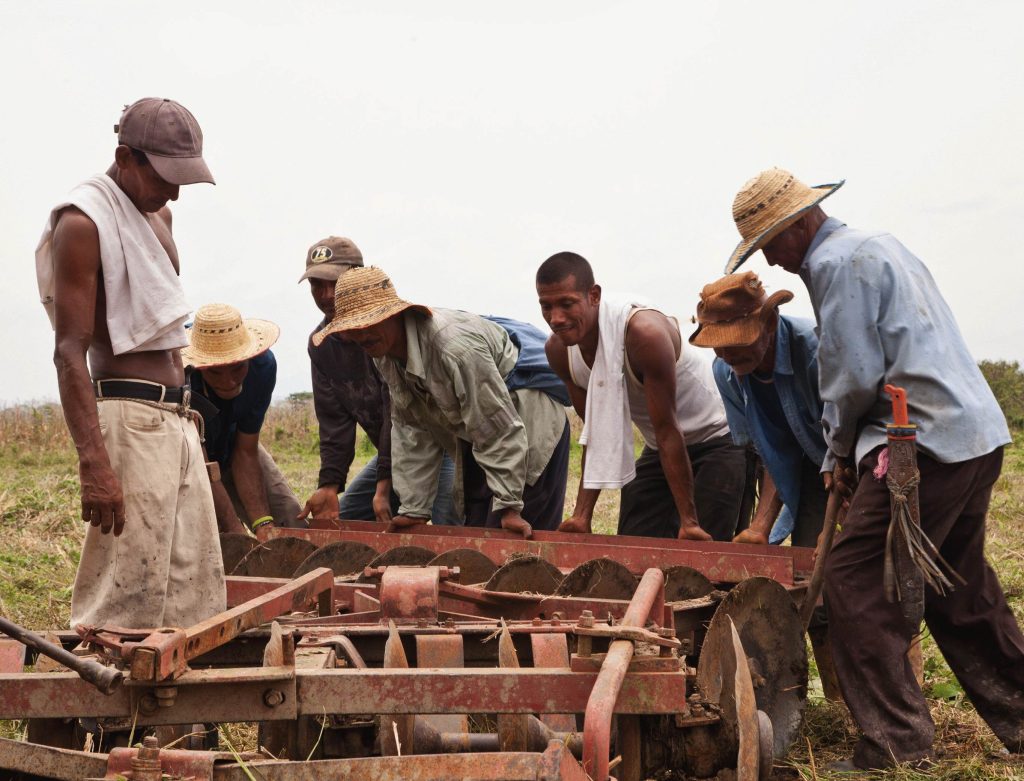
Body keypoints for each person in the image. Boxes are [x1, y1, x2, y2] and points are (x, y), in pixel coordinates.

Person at [726, 167, 1023, 769]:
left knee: (855, 582)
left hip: (922, 444)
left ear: (800, 223)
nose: (776, 261)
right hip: (971, 434)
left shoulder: (837, 265)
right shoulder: (876, 245)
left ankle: (894, 746)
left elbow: (852, 373)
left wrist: (838, 452)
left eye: (774, 244)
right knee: (955, 586)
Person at [35, 97, 225, 629]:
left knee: (192, 588)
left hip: (177, 418)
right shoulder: (83, 222)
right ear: (126, 156)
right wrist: (93, 461)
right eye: (165, 176)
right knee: (125, 592)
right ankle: (107, 708)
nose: (174, 190)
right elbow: (68, 350)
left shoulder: (159, 213)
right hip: (130, 420)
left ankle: (180, 709)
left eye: (183, 177)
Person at [312, 266, 570, 538]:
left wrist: (508, 506)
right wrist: (414, 509)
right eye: (354, 327)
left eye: (371, 322)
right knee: (477, 535)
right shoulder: (384, 353)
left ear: (394, 315)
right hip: (479, 438)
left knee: (514, 543)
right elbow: (412, 429)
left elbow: (497, 426)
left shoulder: (453, 349)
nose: (363, 335)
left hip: (528, 429)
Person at [536, 252, 749, 542]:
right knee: (633, 543)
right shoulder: (559, 351)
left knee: (704, 551)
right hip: (659, 446)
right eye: (546, 306)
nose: (556, 318)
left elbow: (668, 429)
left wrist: (688, 521)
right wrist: (581, 516)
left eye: (567, 304)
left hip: (717, 438)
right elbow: (595, 432)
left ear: (594, 296)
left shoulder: (643, 334)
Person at [298, 236, 455, 525]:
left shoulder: (383, 332)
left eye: (334, 283)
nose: (326, 295)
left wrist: (384, 486)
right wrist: (329, 485)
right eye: (316, 285)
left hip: (439, 443)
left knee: (452, 524)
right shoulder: (322, 346)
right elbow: (334, 424)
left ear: (356, 279)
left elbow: (394, 410)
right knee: (342, 517)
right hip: (391, 456)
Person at [689, 270, 828, 548]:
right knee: (808, 550)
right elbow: (773, 453)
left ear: (771, 323)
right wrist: (760, 528)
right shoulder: (726, 373)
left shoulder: (816, 355)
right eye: (719, 345)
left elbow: (850, 439)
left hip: (862, 459)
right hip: (813, 467)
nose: (728, 355)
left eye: (738, 341)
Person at [184, 303, 302, 538]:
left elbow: (246, 451)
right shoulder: (182, 378)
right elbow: (202, 464)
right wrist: (234, 529)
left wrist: (262, 524)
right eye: (215, 372)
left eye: (237, 369)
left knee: (289, 521)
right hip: (191, 458)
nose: (228, 381)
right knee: (217, 541)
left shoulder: (263, 367)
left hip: (232, 444)